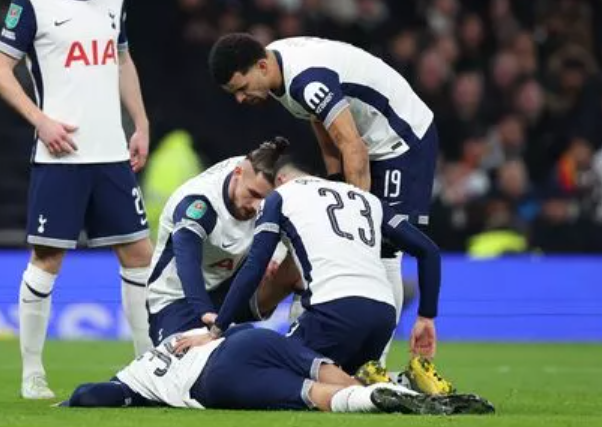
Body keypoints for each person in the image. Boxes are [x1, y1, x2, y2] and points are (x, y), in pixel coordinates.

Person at [0, 0, 153, 399]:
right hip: (60, 155)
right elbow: (1, 71)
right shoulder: (32, 0)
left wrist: (140, 123)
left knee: (139, 253)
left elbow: (122, 59)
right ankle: (32, 371)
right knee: (47, 257)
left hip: (110, 154)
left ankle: (147, 366)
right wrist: (40, 120)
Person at [208, 33, 441, 370]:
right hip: (370, 137)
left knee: (382, 249)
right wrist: (335, 184)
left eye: (242, 88)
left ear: (261, 66)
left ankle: (375, 365)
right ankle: (369, 363)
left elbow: (353, 147)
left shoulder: (306, 80)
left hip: (401, 141)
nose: (241, 99)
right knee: (369, 246)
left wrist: (356, 212)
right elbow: (322, 125)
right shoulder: (279, 73)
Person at [176, 157, 443, 386]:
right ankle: (402, 382)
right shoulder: (365, 198)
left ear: (279, 178)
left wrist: (216, 329)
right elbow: (428, 251)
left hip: (333, 314)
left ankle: (395, 388)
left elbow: (255, 266)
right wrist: (426, 317)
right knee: (339, 383)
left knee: (269, 370)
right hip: (383, 317)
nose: (260, 202)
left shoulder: (280, 197)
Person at [65, 327, 493, 414]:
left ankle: (382, 401)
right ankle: (422, 398)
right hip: (246, 338)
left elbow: (91, 394)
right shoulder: (182, 334)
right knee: (333, 375)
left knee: (313, 395)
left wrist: (73, 401)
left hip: (217, 379)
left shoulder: (135, 377)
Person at [147, 137, 300, 345]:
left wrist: (280, 253)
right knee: (192, 363)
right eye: (253, 194)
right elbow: (187, 262)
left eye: (265, 200)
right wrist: (205, 312)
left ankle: (306, 348)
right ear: (237, 173)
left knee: (298, 269)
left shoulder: (268, 184)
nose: (257, 207)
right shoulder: (200, 203)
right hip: (180, 297)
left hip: (230, 287)